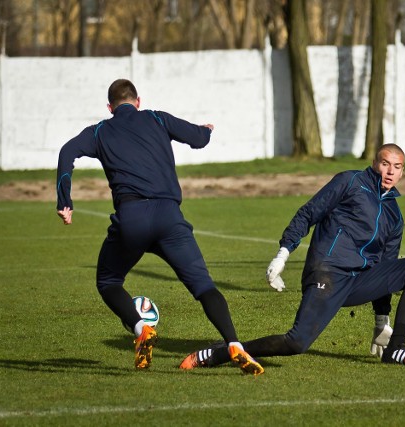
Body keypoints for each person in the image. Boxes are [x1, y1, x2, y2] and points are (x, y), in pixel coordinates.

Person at [56, 79, 264, 374]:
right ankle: (234, 344)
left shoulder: (100, 131)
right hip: (170, 218)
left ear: (109, 107)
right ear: (138, 101)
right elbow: (199, 139)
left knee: (108, 281)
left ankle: (141, 328)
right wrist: (206, 131)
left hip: (132, 218)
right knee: (204, 286)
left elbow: (67, 152)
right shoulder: (156, 117)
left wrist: (65, 201)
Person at [180, 143, 405, 371]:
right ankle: (221, 352)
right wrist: (282, 255)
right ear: (375, 163)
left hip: (358, 282)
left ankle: (396, 348)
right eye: (385, 163)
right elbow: (308, 213)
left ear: (402, 172)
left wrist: (381, 320)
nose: (390, 171)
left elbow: (385, 267)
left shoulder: (394, 215)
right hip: (328, 273)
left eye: (396, 167)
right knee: (297, 342)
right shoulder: (350, 182)